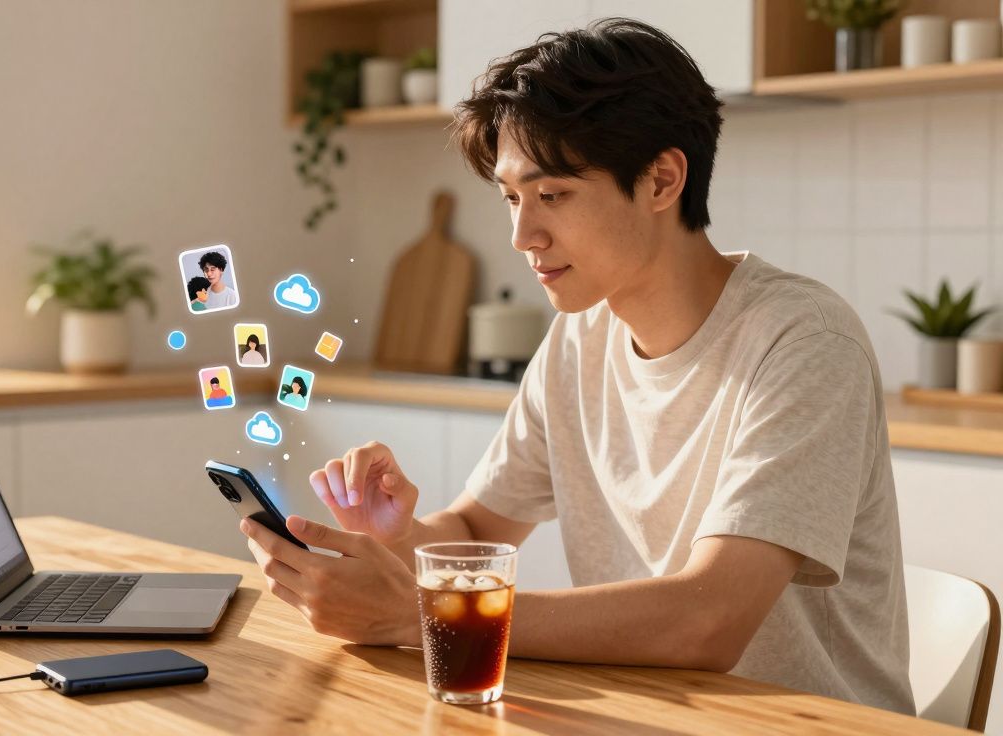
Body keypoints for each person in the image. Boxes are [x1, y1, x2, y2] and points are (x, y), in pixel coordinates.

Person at [240, 18, 914, 715]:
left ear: (660, 179)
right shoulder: (579, 337)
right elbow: (476, 531)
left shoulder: (803, 342)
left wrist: (426, 615)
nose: (521, 235)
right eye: (510, 197)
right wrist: (399, 536)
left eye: (552, 195)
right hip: (646, 716)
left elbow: (708, 619)